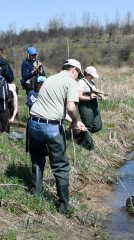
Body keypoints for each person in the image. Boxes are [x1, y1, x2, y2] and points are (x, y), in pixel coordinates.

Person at [27, 59, 87, 214]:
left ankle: (35, 194)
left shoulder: (50, 79)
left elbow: (52, 108)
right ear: (74, 70)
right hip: (51, 128)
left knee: (37, 158)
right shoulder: (71, 83)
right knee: (60, 166)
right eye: (79, 74)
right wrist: (74, 120)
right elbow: (71, 107)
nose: (78, 78)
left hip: (33, 123)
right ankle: (63, 207)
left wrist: (75, 122)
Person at [77, 66, 103, 150]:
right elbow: (78, 96)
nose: (93, 77)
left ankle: (80, 136)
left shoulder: (91, 82)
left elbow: (94, 92)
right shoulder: (81, 82)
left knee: (98, 126)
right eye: (92, 75)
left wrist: (101, 94)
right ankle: (89, 146)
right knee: (89, 126)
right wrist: (89, 98)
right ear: (88, 74)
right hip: (85, 107)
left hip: (94, 106)